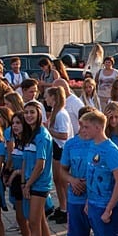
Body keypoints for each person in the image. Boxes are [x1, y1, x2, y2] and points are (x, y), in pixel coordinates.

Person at [10, 102, 57, 236]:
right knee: (40, 222)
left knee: (33, 223)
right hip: (30, 182)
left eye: (32, 112)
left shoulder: (42, 135)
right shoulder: (30, 135)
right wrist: (23, 182)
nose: (29, 115)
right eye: (26, 112)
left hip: (39, 184)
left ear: (39, 114)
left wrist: (28, 184)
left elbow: (40, 164)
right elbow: (24, 160)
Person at [59, 108, 96, 236]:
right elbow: (62, 170)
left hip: (96, 199)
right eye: (81, 124)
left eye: (87, 125)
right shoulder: (71, 144)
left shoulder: (99, 145)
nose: (83, 128)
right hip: (75, 198)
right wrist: (72, 180)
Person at [45, 87, 71, 224]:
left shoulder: (61, 114)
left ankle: (68, 209)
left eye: (47, 96)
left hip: (61, 149)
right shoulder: (55, 112)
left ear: (53, 97)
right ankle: (63, 207)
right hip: (56, 148)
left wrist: (48, 131)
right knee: (57, 180)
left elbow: (64, 135)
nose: (45, 99)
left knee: (63, 181)